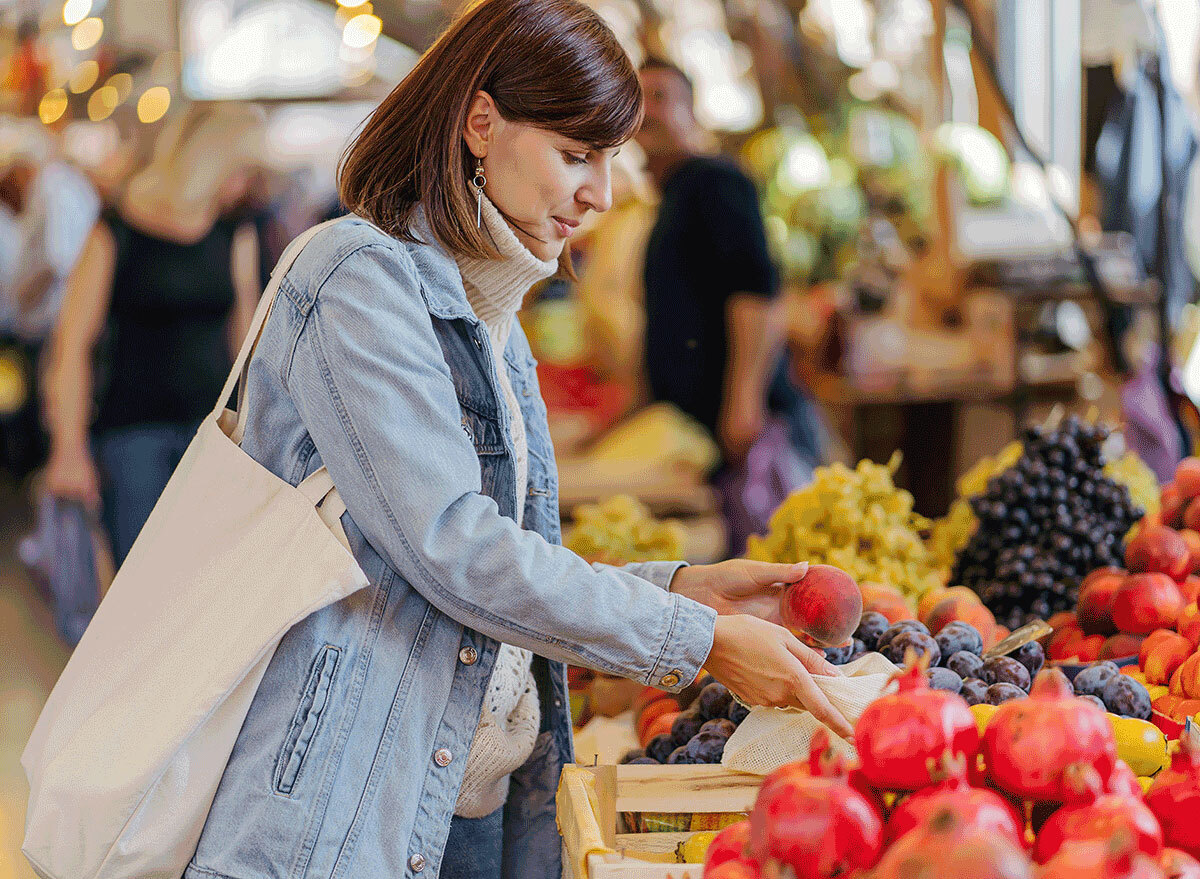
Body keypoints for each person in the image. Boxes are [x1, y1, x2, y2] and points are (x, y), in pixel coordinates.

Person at [174, 3, 851, 878]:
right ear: (481, 123)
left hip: (464, 804)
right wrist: (694, 639)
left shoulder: (494, 316)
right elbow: (453, 549)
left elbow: (504, 571)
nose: (601, 194)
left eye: (612, 160)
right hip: (342, 815)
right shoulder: (354, 278)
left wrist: (685, 589)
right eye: (577, 155)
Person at [42, 103, 265, 564]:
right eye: (241, 169)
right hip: (131, 434)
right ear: (212, 161)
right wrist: (68, 448)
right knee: (142, 584)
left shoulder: (233, 231)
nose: (248, 183)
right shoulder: (116, 228)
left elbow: (247, 339)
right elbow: (72, 346)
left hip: (212, 432)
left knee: (206, 583)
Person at [636, 57, 829, 550]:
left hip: (755, 429)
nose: (648, 111)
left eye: (661, 97)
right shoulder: (675, 195)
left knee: (785, 561)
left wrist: (743, 400)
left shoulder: (716, 181)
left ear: (691, 111)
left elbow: (757, 293)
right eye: (638, 100)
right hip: (709, 436)